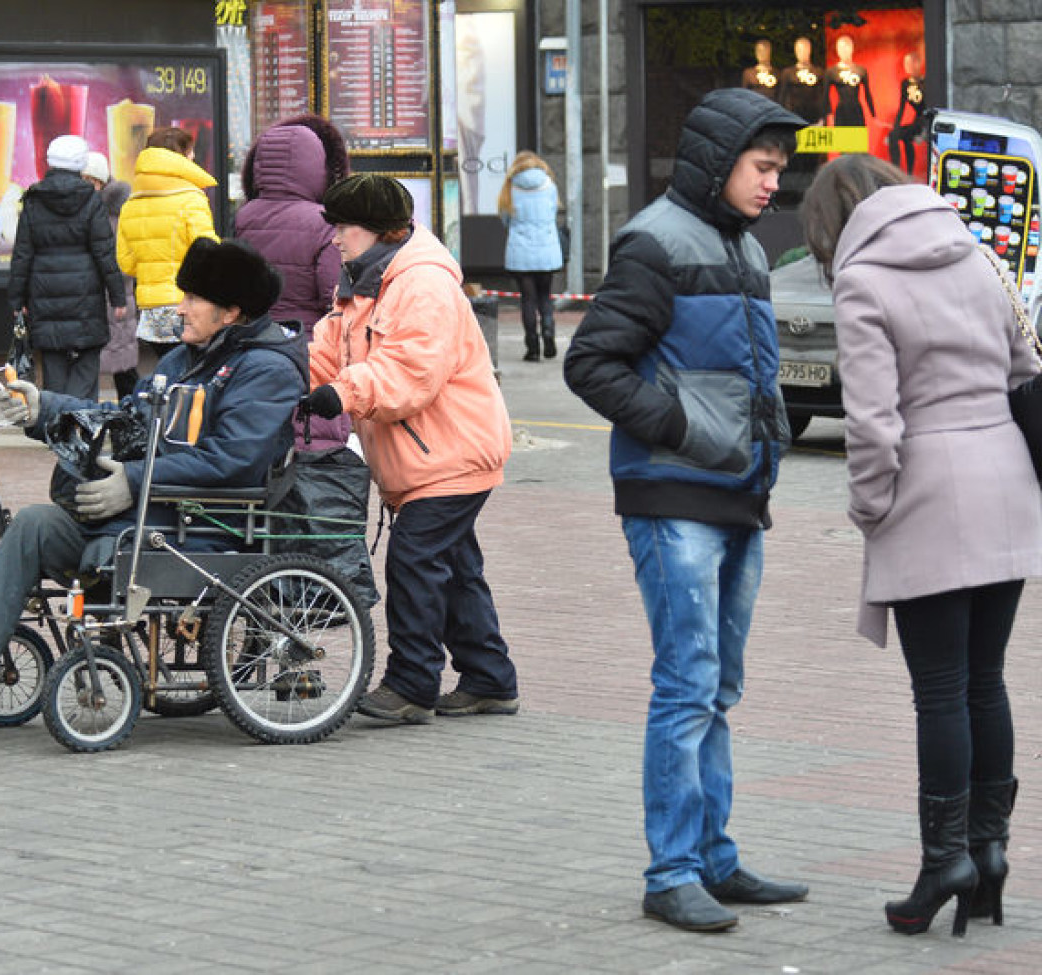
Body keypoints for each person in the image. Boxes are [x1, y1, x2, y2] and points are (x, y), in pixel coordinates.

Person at [562, 88, 809, 933]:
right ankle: (671, 871)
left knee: (718, 686)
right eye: (764, 167)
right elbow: (591, 363)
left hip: (738, 497)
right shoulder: (656, 242)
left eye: (779, 170)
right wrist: (678, 427)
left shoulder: (741, 246)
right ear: (718, 162)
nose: (775, 183)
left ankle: (713, 858)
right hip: (676, 499)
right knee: (688, 684)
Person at [0, 239, 307, 712]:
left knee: (96, 541)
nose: (179, 308)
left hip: (197, 528)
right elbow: (124, 420)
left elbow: (234, 461)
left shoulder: (266, 370)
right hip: (149, 519)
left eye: (191, 298)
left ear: (230, 312)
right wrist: (41, 408)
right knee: (34, 524)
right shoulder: (183, 361)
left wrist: (134, 479)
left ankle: (69, 656)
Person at [800, 154, 1042, 937]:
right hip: (1005, 484)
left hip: (930, 496)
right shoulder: (977, 255)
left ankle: (945, 862)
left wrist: (870, 510)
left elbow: (873, 423)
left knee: (939, 692)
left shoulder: (863, 279)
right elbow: (1022, 368)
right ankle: (989, 849)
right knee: (986, 681)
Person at [301, 174, 518, 724]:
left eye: (343, 227)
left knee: (415, 562)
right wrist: (285, 379)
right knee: (454, 567)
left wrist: (341, 395)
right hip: (426, 456)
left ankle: (412, 683)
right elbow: (332, 348)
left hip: (450, 453)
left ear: (379, 230)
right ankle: (490, 678)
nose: (334, 238)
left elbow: (411, 373)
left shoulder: (422, 284)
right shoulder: (365, 279)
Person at [235, 113, 351, 451]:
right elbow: (334, 298)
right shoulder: (323, 222)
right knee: (313, 437)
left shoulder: (244, 217)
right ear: (317, 167)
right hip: (309, 348)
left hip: (254, 344)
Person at [7, 135, 127, 400]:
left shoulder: (33, 199)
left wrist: (17, 299)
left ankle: (58, 426)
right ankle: (80, 424)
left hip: (45, 295)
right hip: (86, 297)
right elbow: (104, 253)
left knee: (54, 364)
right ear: (81, 163)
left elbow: (22, 255)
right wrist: (117, 296)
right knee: (86, 363)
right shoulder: (91, 200)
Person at [117, 126, 217, 369]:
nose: (193, 159)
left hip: (151, 310)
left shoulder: (131, 204)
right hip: (189, 304)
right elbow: (207, 253)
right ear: (180, 158)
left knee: (171, 372)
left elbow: (127, 263)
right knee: (195, 374)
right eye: (190, 153)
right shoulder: (191, 198)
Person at [82, 150, 139, 399]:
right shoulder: (86, 209)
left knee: (123, 366)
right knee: (87, 366)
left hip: (116, 297)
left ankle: (133, 421)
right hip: (93, 296)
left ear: (100, 181)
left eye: (88, 180)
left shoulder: (119, 212)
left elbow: (127, 258)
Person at [498, 150, 563, 362]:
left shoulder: (510, 187)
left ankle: (532, 347)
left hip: (520, 252)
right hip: (547, 251)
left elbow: (506, 220)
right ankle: (548, 332)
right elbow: (553, 214)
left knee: (528, 300)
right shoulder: (550, 186)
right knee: (545, 297)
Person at [887, 53, 927, 174]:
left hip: (925, 120)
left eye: (910, 63)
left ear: (918, 64)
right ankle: (897, 170)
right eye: (906, 64)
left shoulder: (926, 82)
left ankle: (909, 171)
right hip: (917, 120)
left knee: (908, 134)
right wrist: (896, 126)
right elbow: (902, 108)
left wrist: (925, 130)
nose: (907, 67)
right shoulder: (906, 83)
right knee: (895, 135)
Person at [827, 35, 875, 126]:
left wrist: (874, 115)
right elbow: (825, 95)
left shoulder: (861, 70)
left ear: (851, 49)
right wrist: (829, 115)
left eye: (846, 48)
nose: (843, 51)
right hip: (841, 112)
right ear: (837, 50)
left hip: (856, 111)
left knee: (857, 139)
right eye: (840, 48)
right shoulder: (831, 72)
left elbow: (867, 94)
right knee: (842, 139)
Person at [779, 36, 825, 124]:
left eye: (805, 50)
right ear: (795, 51)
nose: (802, 53)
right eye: (799, 50)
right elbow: (782, 95)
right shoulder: (788, 72)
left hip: (814, 116)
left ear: (809, 50)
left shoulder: (818, 72)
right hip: (794, 115)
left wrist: (823, 116)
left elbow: (822, 94)